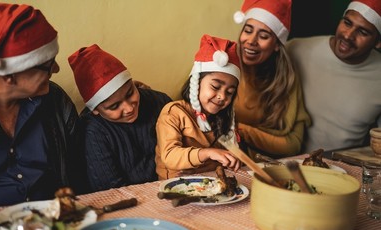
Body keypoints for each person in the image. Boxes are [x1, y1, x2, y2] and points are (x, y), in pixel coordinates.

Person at [0, 2, 82, 207]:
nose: (57, 69)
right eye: (48, 64)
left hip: (54, 223)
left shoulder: (56, 102)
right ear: (10, 76)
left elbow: (77, 173)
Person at [68, 44, 171, 192]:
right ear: (95, 110)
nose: (129, 108)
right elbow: (111, 191)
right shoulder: (91, 132)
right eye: (114, 106)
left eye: (130, 93)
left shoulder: (161, 103)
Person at [286, 0, 381, 153]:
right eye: (347, 23)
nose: (348, 35)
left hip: (345, 168)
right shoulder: (295, 49)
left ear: (378, 42)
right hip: (284, 162)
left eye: (363, 32)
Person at [155, 34, 241, 180]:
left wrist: (230, 159)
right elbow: (169, 156)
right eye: (215, 86)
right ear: (196, 82)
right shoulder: (173, 113)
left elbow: (221, 160)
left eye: (230, 92)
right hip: (174, 186)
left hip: (210, 183)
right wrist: (208, 153)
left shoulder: (224, 117)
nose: (222, 96)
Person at [232, 0, 311, 158]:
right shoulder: (224, 66)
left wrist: (241, 131)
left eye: (263, 36)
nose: (251, 41)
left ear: (276, 44)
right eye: (248, 31)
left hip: (266, 163)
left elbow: (293, 144)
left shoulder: (285, 79)